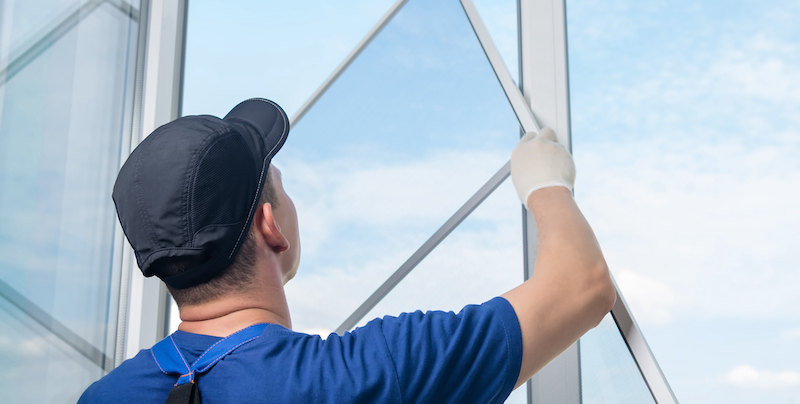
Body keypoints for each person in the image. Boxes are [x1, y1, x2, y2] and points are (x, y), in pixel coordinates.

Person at [79, 98, 615, 404]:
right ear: (271, 227)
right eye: (280, 185)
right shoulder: (367, 375)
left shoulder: (103, 399)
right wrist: (546, 185)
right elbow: (582, 285)